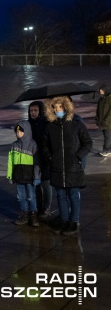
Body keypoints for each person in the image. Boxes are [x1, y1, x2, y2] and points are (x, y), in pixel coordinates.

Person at [43, 96, 92, 235]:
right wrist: (50, 157)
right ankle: (64, 220)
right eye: (55, 108)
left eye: (60, 107)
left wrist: (78, 156)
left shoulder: (76, 124)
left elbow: (87, 143)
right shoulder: (51, 127)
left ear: (66, 107)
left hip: (73, 168)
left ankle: (73, 221)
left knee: (73, 195)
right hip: (57, 167)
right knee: (60, 195)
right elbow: (45, 145)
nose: (58, 110)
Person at [7, 121, 41, 227]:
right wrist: (10, 175)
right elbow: (10, 162)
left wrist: (37, 176)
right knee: (21, 197)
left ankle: (33, 214)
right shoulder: (14, 145)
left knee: (31, 196)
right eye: (16, 132)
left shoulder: (32, 144)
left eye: (20, 131)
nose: (18, 134)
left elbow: (37, 163)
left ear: (26, 131)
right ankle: (24, 213)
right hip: (18, 176)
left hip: (29, 176)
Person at [27, 101, 52, 219]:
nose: (33, 113)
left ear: (40, 111)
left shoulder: (46, 123)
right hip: (32, 158)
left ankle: (46, 207)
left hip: (44, 157)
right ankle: (38, 205)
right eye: (31, 111)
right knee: (36, 183)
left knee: (46, 183)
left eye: (35, 110)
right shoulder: (27, 125)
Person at [95, 85, 111, 156]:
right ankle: (108, 149)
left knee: (107, 136)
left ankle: (106, 150)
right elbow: (98, 110)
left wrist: (106, 120)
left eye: (101, 90)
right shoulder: (101, 99)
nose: (100, 92)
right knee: (106, 135)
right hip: (102, 121)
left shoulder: (109, 99)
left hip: (108, 122)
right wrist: (97, 119)